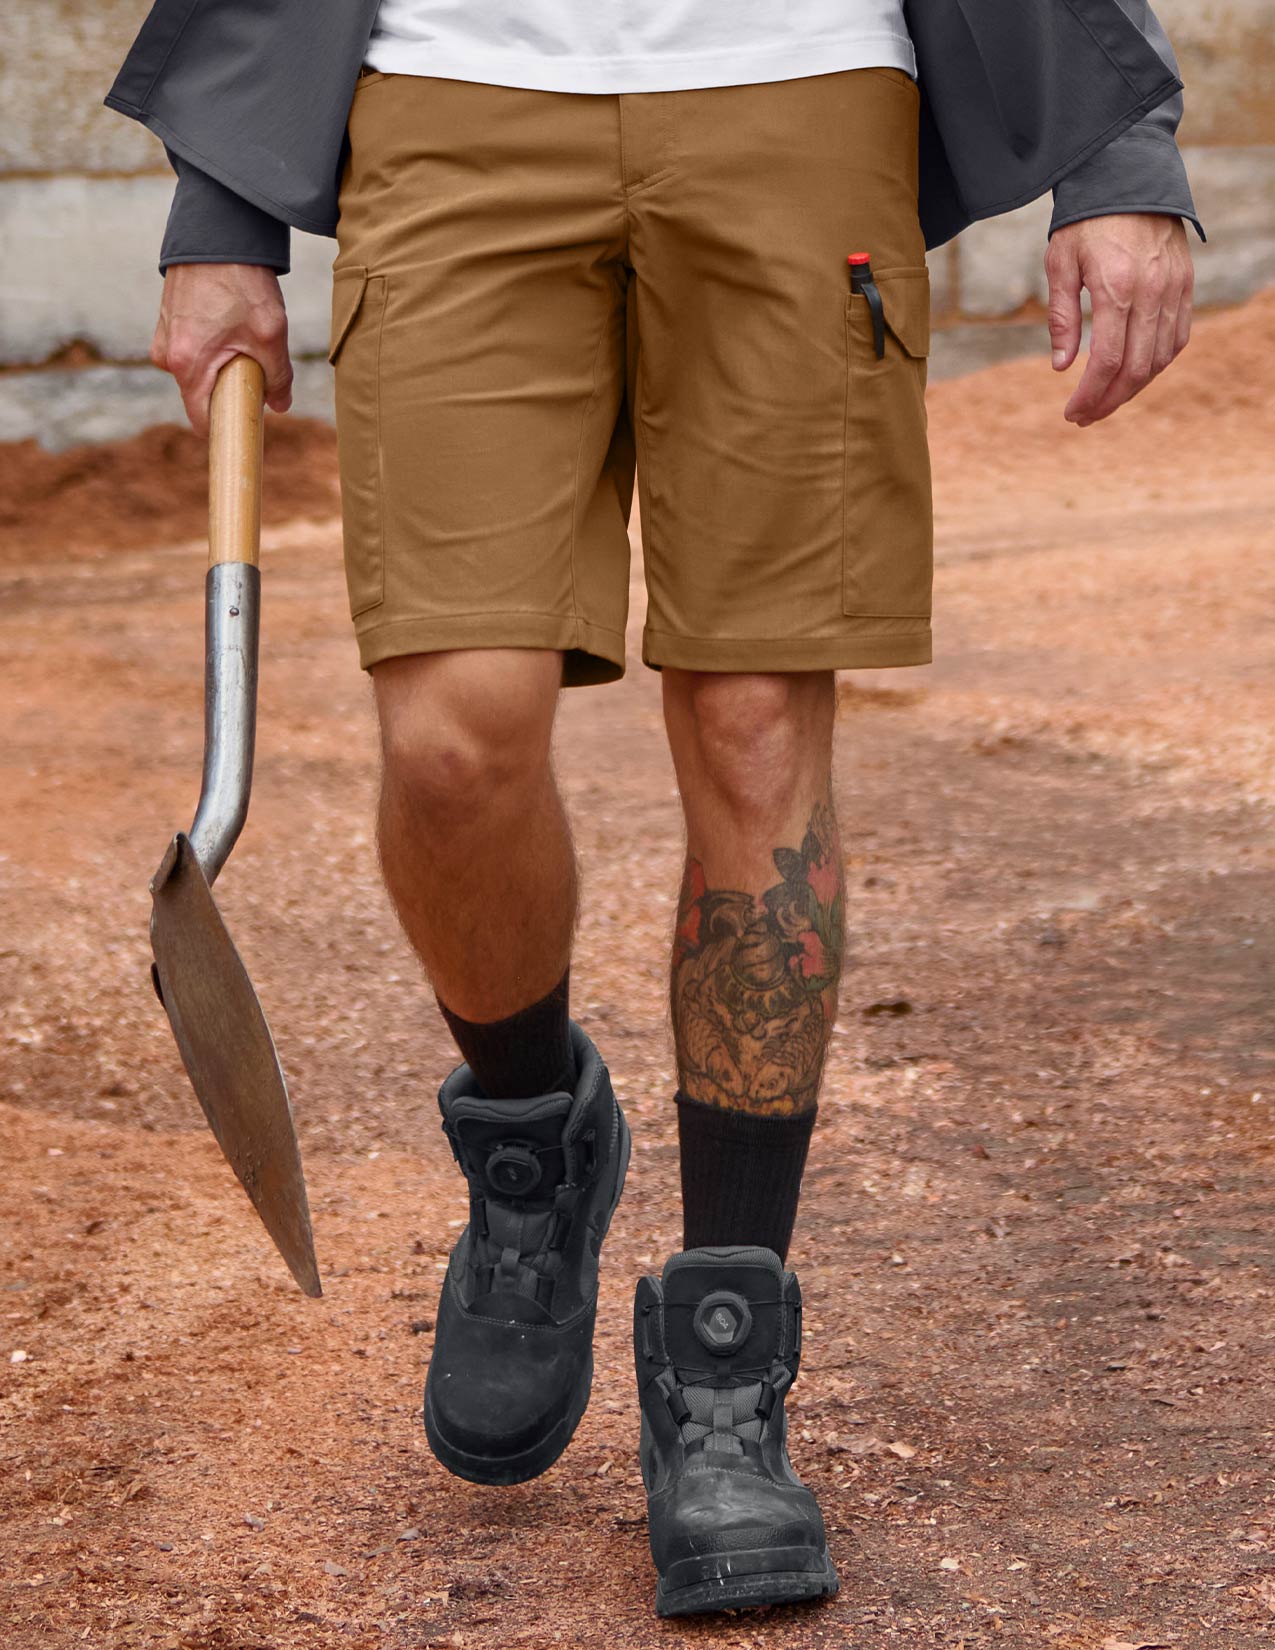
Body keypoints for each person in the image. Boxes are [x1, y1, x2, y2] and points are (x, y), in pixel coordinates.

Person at [110, 0, 1200, 1618]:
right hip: (451, 101)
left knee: (757, 726)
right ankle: (532, 1139)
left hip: (805, 95)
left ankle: (726, 1368)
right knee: (454, 744)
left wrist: (1119, 151)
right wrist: (221, 205)